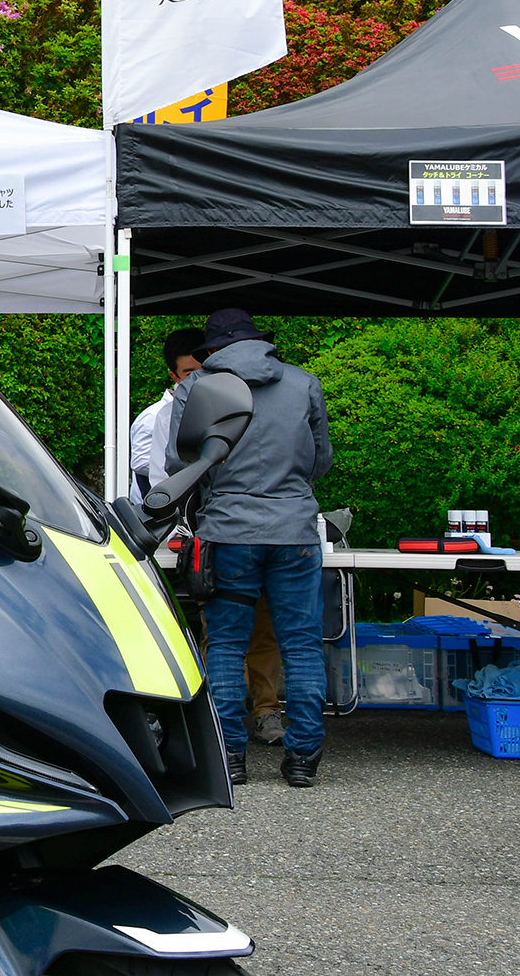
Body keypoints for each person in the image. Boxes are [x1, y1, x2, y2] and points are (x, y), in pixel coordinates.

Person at [168, 308, 332, 788]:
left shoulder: (195, 388)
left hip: (228, 530)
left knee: (225, 645)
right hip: (295, 531)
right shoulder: (304, 383)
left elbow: (182, 458)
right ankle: (302, 760)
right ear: (260, 342)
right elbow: (320, 461)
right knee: (301, 646)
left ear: (212, 350)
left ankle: (229, 757)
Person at [128, 327, 204, 502]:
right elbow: (141, 464)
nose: (200, 378)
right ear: (175, 376)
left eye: (205, 369)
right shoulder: (156, 418)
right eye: (190, 373)